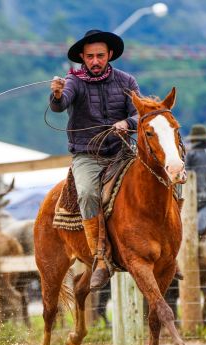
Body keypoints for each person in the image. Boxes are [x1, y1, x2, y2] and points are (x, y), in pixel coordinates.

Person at [50, 29, 140, 290]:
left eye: (100, 55)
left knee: (158, 179)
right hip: (87, 156)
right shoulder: (73, 82)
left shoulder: (127, 81)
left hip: (121, 152)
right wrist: (56, 95)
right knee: (88, 193)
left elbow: (140, 114)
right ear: (82, 57)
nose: (95, 61)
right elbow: (60, 104)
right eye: (90, 56)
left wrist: (127, 122)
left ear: (110, 55)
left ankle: (167, 250)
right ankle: (100, 258)